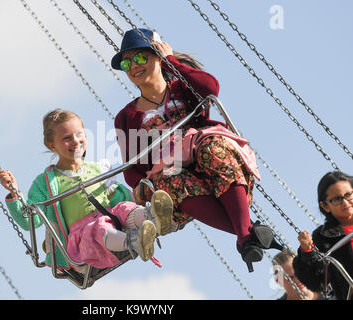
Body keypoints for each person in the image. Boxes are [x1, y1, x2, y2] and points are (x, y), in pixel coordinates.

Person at [112, 28, 282, 272]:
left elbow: (210, 87)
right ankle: (246, 232)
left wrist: (171, 60)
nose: (133, 66)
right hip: (171, 175)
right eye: (127, 63)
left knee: (215, 148)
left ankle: (245, 236)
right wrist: (143, 187)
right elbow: (132, 169)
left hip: (206, 158)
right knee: (169, 177)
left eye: (140, 58)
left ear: (157, 56)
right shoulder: (126, 117)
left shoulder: (183, 89)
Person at [0, 109, 175, 271]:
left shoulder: (97, 169)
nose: (75, 141)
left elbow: (117, 200)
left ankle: (154, 217)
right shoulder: (45, 183)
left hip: (113, 221)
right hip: (86, 240)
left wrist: (120, 194)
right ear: (52, 146)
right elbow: (30, 222)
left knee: (124, 209)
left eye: (79, 134)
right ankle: (134, 242)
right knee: (98, 227)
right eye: (67, 138)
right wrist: (14, 193)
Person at [293, 171, 353, 300]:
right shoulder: (324, 238)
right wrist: (308, 251)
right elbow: (317, 282)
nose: (345, 202)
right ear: (325, 206)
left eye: (348, 195)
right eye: (337, 199)